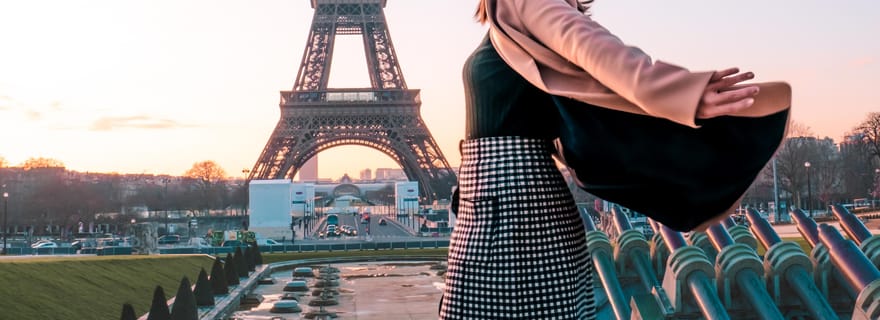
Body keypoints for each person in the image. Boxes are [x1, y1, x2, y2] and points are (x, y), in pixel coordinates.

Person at [439, 0, 791, 319]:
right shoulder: (511, 18)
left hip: (514, 214)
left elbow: (593, 47)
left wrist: (682, 91)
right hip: (508, 205)